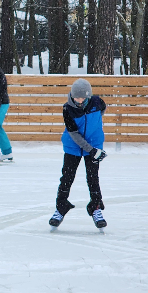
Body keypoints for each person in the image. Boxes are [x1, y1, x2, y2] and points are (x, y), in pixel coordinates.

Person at [50, 78, 108, 230]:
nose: (79, 100)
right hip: (73, 146)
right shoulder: (67, 109)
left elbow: (102, 111)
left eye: (82, 97)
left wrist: (94, 143)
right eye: (76, 97)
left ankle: (96, 208)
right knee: (67, 177)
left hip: (94, 144)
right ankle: (61, 207)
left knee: (93, 178)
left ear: (88, 96)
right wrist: (91, 150)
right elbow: (74, 134)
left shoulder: (97, 103)